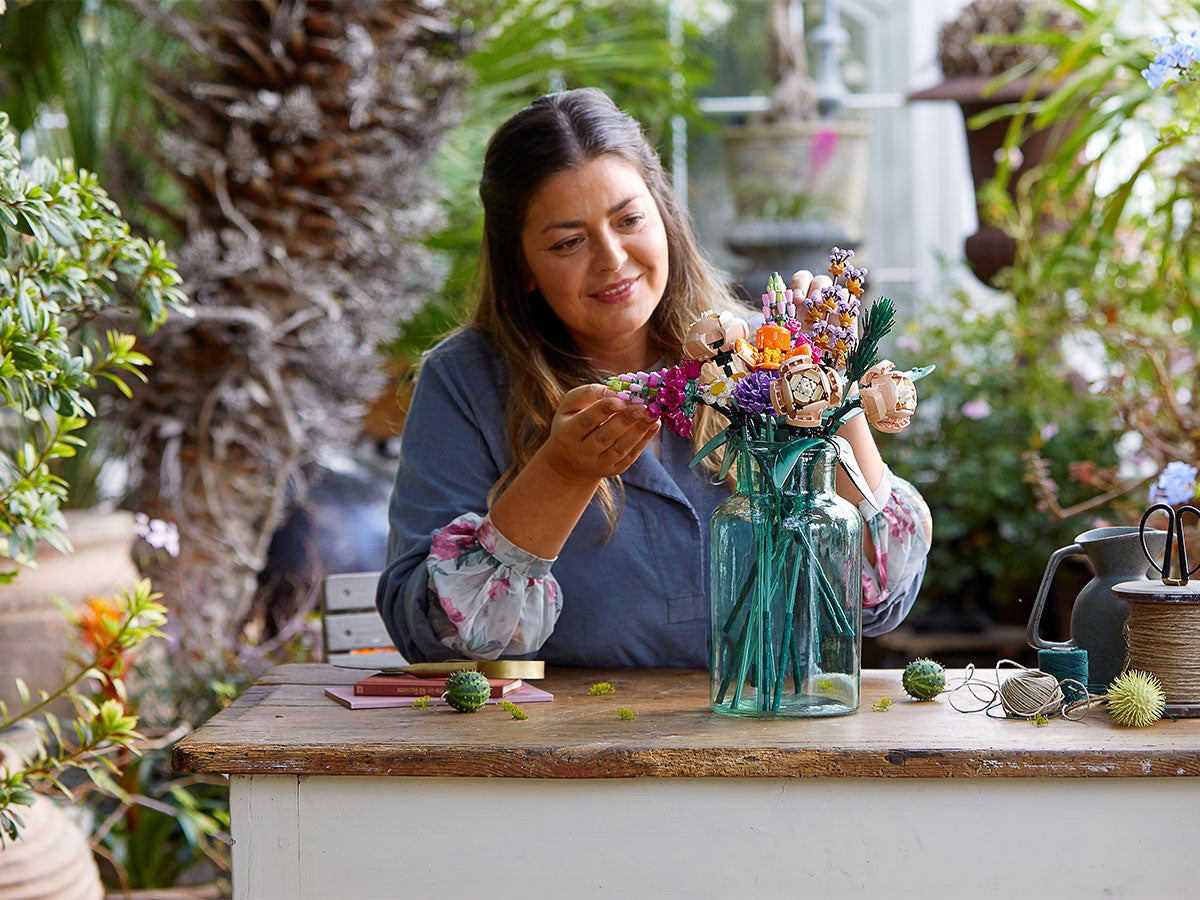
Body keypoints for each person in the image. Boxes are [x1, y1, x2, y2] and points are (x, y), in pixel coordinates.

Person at [376, 88, 931, 667]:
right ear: (524, 268)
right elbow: (430, 634)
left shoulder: (771, 353)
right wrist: (562, 474)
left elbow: (881, 597)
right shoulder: (465, 382)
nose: (612, 258)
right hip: (565, 746)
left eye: (629, 220)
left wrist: (830, 390)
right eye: (568, 242)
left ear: (663, 214)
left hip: (783, 736)